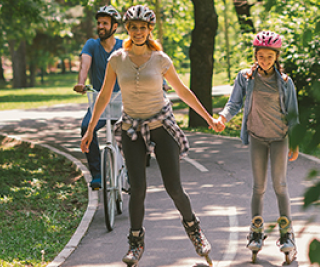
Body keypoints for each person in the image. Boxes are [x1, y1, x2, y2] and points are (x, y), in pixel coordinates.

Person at [80, 5, 222, 266]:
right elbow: (103, 96)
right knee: (138, 190)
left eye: (143, 28)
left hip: (161, 124)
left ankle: (195, 230)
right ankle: (135, 243)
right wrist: (90, 130)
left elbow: (183, 91)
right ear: (127, 29)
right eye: (133, 27)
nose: (137, 32)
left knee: (174, 188)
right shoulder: (117, 60)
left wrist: (209, 118)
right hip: (132, 126)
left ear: (149, 30)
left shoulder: (160, 59)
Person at [216, 31, 299, 261]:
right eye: (261, 56)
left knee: (280, 185)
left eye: (269, 57)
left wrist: (296, 142)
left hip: (280, 137)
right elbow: (234, 103)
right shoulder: (246, 78)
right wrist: (223, 117)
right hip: (257, 137)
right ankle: (256, 231)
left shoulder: (284, 82)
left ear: (276, 57)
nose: (265, 60)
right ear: (255, 55)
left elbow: (293, 114)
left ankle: (287, 234)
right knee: (258, 187)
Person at [73, 5, 123, 190]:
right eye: (99, 23)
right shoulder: (91, 45)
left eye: (105, 23)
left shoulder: (123, 46)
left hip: (123, 103)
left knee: (137, 131)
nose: (100, 26)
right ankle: (97, 174)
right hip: (99, 104)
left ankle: (133, 173)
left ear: (114, 26)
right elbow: (84, 65)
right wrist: (81, 82)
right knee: (87, 127)